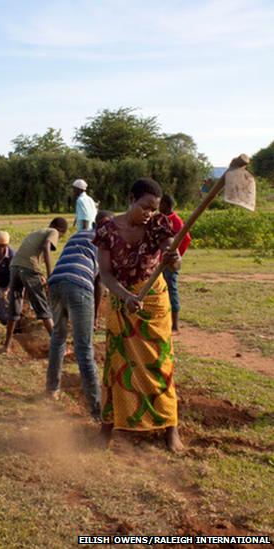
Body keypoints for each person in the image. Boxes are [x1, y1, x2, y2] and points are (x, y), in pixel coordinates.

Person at [94, 177, 183, 452]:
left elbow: (174, 254)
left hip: (154, 302)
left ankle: (171, 429)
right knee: (117, 367)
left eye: (153, 208)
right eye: (145, 207)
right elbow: (105, 274)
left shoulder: (157, 225)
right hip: (123, 303)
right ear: (131, 199)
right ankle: (107, 428)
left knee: (160, 364)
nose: (149, 214)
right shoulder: (108, 230)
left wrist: (173, 258)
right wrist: (126, 296)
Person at [46, 210, 112, 421]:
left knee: (58, 338)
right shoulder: (105, 242)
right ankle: (97, 411)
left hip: (55, 283)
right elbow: (99, 283)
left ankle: (52, 390)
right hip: (78, 287)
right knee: (84, 348)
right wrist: (93, 319)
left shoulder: (78, 235)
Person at [3, 217, 68, 354]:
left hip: (15, 266)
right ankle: (61, 348)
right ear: (61, 230)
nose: (59, 238)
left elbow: (33, 255)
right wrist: (50, 275)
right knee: (43, 308)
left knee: (14, 308)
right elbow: (46, 247)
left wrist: (40, 274)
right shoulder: (53, 232)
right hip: (28, 268)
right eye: (61, 236)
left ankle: (7, 346)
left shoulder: (37, 232)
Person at [159, 194, 192, 332]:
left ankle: (174, 325)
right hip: (160, 261)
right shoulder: (162, 219)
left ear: (166, 205)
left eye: (160, 204)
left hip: (170, 262)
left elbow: (186, 239)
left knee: (171, 290)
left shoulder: (175, 221)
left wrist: (177, 256)